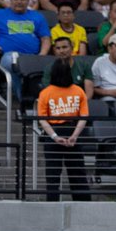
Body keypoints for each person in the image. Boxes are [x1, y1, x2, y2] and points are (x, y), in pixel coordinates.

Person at [0, 0, 51, 103]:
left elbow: (46, 38)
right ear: (10, 0)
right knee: (11, 63)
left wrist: (42, 55)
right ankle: (24, 99)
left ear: (28, 0)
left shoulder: (37, 16)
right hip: (10, 55)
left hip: (33, 56)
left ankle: (37, 101)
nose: (19, 1)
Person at [38, 58, 89, 200]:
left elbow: (42, 119)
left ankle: (52, 206)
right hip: (73, 130)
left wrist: (54, 136)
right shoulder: (79, 90)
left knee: (53, 176)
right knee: (77, 174)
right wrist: (75, 136)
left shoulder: (45, 93)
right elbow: (83, 116)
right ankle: (83, 206)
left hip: (53, 132)